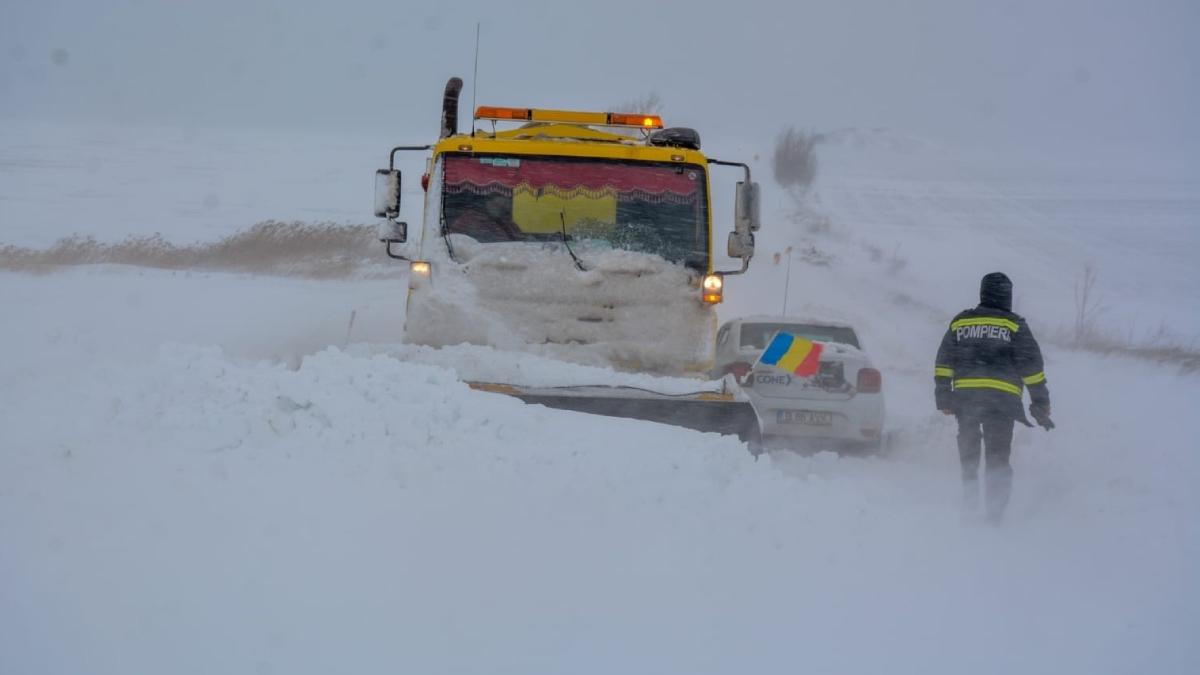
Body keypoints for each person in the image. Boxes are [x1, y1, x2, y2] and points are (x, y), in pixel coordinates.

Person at [934, 272, 1054, 524]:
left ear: (983, 293)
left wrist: (944, 396)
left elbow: (944, 362)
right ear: (1007, 296)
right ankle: (994, 514)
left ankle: (969, 503)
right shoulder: (1014, 325)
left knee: (968, 453)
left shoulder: (961, 322)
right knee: (998, 457)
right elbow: (1031, 368)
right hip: (1002, 403)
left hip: (966, 400)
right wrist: (1040, 403)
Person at [448, 193, 519, 242]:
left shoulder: (506, 221)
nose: (502, 210)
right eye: (498, 206)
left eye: (503, 207)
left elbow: (518, 239)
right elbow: (453, 241)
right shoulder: (469, 219)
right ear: (487, 202)